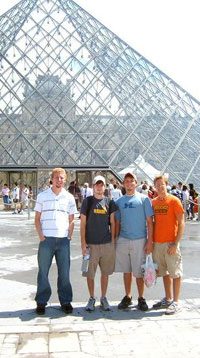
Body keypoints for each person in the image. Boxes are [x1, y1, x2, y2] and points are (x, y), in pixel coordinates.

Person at [34, 168, 77, 315]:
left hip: (63, 239)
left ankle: (65, 301)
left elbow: (72, 220)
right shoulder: (42, 196)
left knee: (64, 272)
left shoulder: (69, 197)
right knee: (43, 272)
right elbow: (37, 219)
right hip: (47, 239)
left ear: (65, 180)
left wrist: (69, 236)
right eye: (57, 177)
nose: (59, 180)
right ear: (51, 179)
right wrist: (41, 236)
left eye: (62, 178)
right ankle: (41, 302)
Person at [115, 172, 154, 311]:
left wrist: (150, 242)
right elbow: (117, 223)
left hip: (140, 239)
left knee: (138, 272)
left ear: (136, 183)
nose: (129, 183)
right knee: (127, 270)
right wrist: (116, 239)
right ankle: (128, 296)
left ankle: (141, 297)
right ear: (123, 184)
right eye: (127, 181)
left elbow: (150, 222)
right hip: (124, 239)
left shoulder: (144, 200)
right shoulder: (119, 202)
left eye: (132, 181)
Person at [80, 175, 117, 312]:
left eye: (102, 185)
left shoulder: (109, 202)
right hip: (91, 244)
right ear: (93, 186)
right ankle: (91, 297)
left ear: (105, 187)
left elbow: (113, 223)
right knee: (90, 273)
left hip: (106, 243)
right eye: (97, 185)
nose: (99, 187)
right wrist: (83, 244)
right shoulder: (87, 202)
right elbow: (82, 224)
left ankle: (103, 297)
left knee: (105, 273)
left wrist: (113, 241)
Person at [152, 175, 185, 315]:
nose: (160, 187)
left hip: (171, 243)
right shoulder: (153, 202)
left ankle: (176, 302)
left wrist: (175, 243)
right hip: (158, 243)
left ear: (167, 185)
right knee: (164, 272)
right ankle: (168, 298)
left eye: (162, 184)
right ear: (155, 187)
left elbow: (182, 222)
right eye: (157, 184)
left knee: (175, 273)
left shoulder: (174, 201)